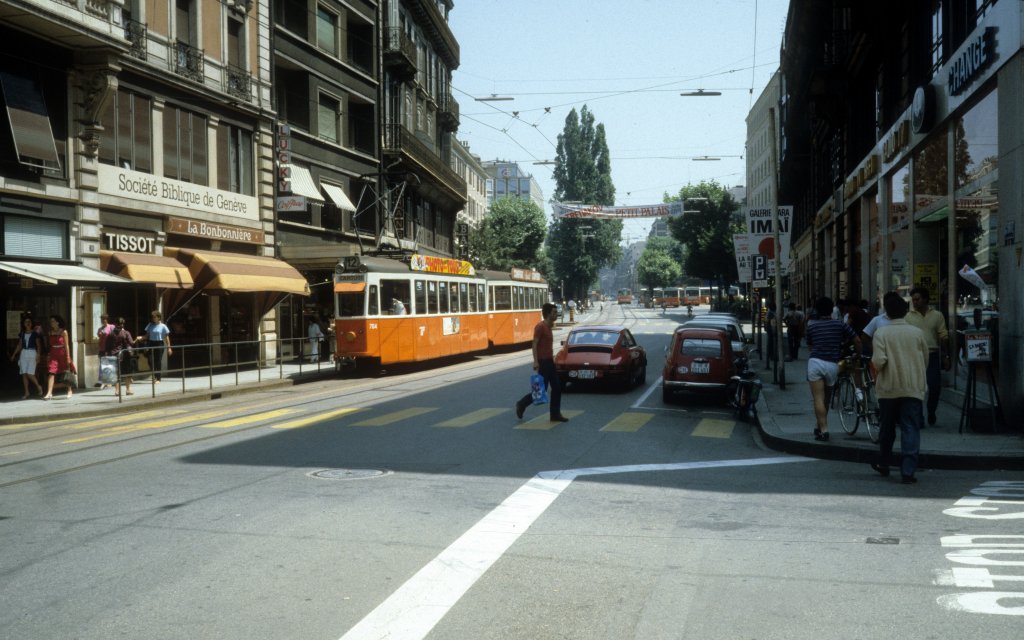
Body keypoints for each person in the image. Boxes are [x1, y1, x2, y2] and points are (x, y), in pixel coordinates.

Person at [870, 292, 929, 484]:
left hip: (888, 388)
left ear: (887, 312)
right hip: (912, 387)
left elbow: (879, 361)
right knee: (910, 427)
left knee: (887, 427)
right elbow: (925, 360)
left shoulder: (881, 333)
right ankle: (908, 470)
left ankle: (884, 462)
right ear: (905, 311)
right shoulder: (917, 333)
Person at [804, 296, 860, 441]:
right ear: (831, 310)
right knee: (826, 399)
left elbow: (810, 346)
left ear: (817, 310)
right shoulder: (840, 324)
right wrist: (858, 354)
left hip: (815, 362)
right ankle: (819, 427)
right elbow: (857, 340)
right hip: (832, 364)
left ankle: (823, 429)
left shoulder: (812, 326)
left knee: (818, 398)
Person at [514, 302, 568, 423]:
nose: (556, 314)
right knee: (540, 390)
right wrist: (536, 362)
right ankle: (522, 404)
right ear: (548, 314)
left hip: (550, 362)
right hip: (543, 362)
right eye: (554, 312)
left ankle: (555, 414)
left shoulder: (549, 327)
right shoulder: (540, 327)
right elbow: (534, 344)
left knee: (557, 388)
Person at [906, 287, 950, 426]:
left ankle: (931, 410)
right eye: (913, 300)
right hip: (915, 355)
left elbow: (943, 336)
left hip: (932, 355)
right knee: (917, 388)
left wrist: (946, 356)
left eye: (917, 299)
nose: (915, 302)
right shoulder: (908, 317)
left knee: (934, 386)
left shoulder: (937, 315)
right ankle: (919, 416)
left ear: (925, 299)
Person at [10, 316, 45, 399]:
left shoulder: (35, 333)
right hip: (24, 353)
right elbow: (19, 345)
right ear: (24, 324)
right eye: (26, 322)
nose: (28, 323)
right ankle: (26, 392)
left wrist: (38, 355)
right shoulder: (22, 333)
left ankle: (38, 386)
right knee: (24, 374)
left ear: (31, 323)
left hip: (32, 353)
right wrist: (14, 354)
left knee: (30, 373)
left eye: (29, 321)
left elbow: (38, 345)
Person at [43, 315, 73, 400]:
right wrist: (48, 355)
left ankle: (69, 390)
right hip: (53, 353)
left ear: (57, 322)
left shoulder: (64, 332)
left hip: (62, 353)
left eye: (53, 321)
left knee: (66, 371)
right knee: (51, 372)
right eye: (51, 321)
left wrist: (68, 356)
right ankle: (49, 392)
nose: (51, 323)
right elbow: (49, 345)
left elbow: (66, 345)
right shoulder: (50, 332)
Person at [139, 310, 172, 383]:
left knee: (158, 361)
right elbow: (147, 335)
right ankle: (154, 375)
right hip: (151, 343)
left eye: (155, 317)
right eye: (152, 317)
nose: (153, 318)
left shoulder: (163, 326)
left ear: (159, 317)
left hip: (159, 343)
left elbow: (166, 337)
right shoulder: (150, 325)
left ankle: (158, 378)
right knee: (150, 360)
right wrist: (141, 337)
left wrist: (169, 348)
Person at [106, 317, 135, 397]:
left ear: (115, 324)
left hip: (114, 355)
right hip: (125, 355)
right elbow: (131, 342)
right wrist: (137, 339)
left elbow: (107, 345)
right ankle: (128, 390)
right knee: (128, 373)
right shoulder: (125, 333)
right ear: (123, 324)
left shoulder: (111, 334)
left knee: (116, 373)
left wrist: (108, 353)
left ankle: (117, 391)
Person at [95, 313, 115, 388]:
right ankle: (100, 381)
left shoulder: (111, 327)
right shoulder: (100, 329)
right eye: (102, 319)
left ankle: (109, 381)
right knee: (101, 365)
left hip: (108, 348)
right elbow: (99, 336)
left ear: (107, 320)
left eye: (104, 319)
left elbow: (114, 336)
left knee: (108, 364)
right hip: (102, 348)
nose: (103, 321)